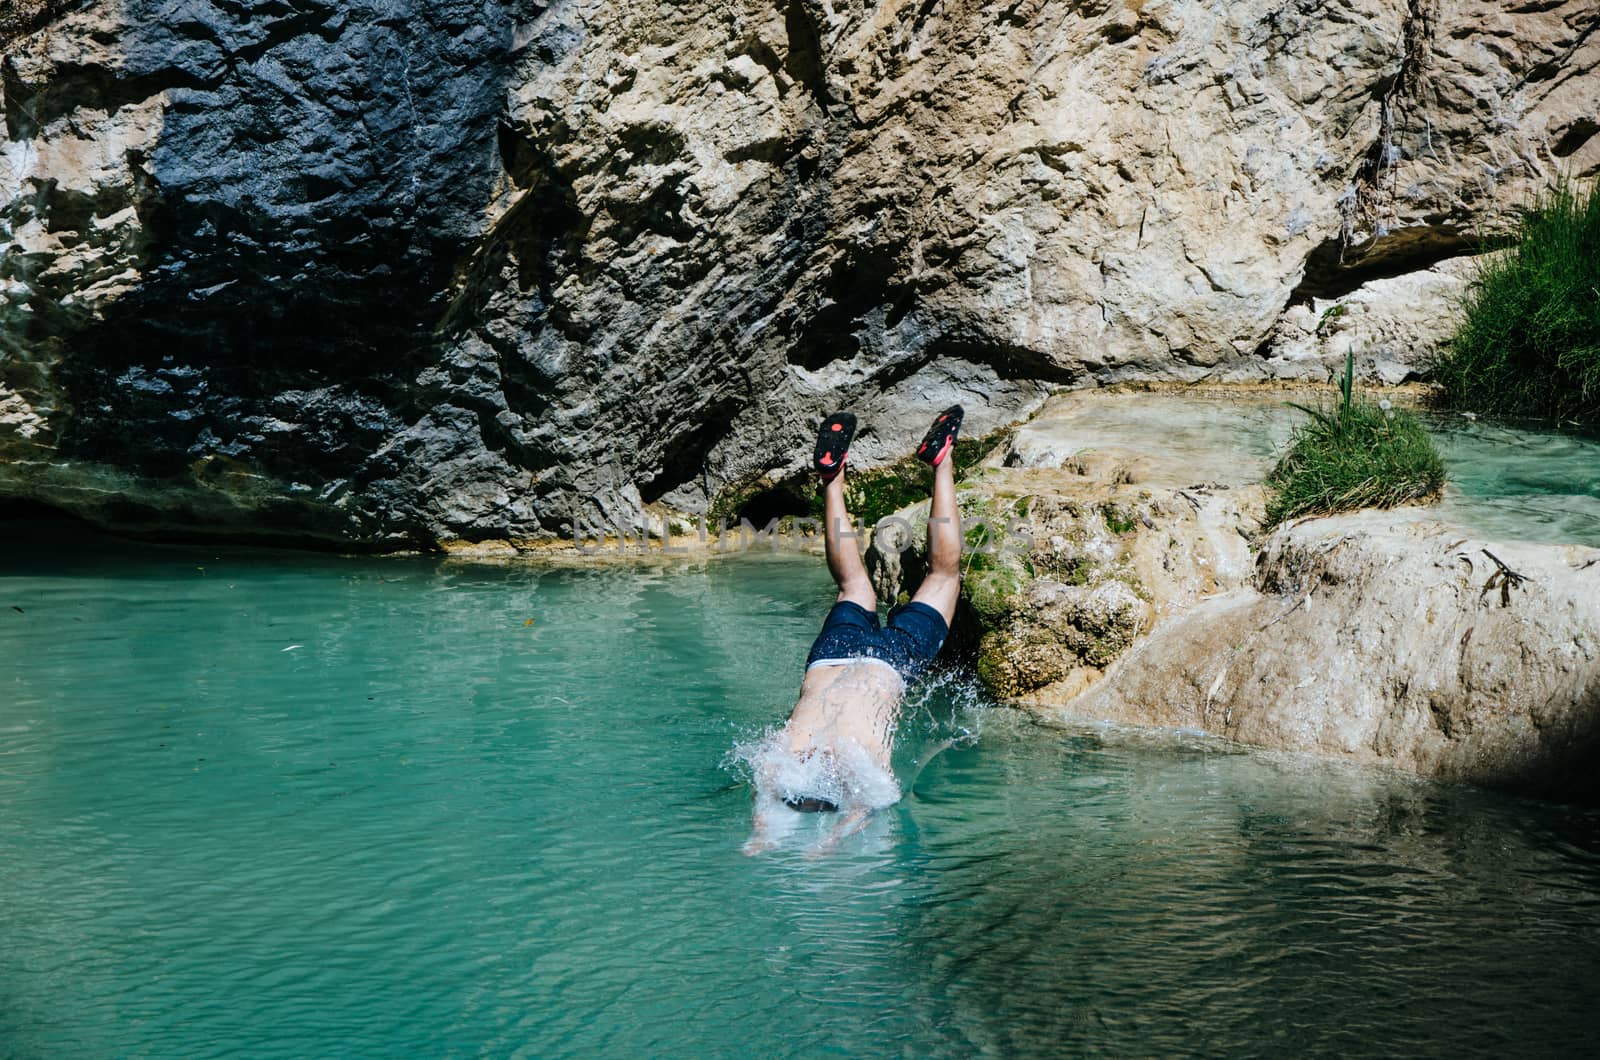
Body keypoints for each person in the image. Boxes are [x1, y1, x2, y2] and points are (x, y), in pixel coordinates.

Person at [744, 406, 965, 854]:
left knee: (944, 577)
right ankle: (833, 478)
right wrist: (761, 835)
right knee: (852, 584)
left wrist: (828, 842)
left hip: (886, 666)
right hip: (831, 657)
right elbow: (764, 804)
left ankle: (942, 463)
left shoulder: (854, 763)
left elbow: (872, 804)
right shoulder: (784, 758)